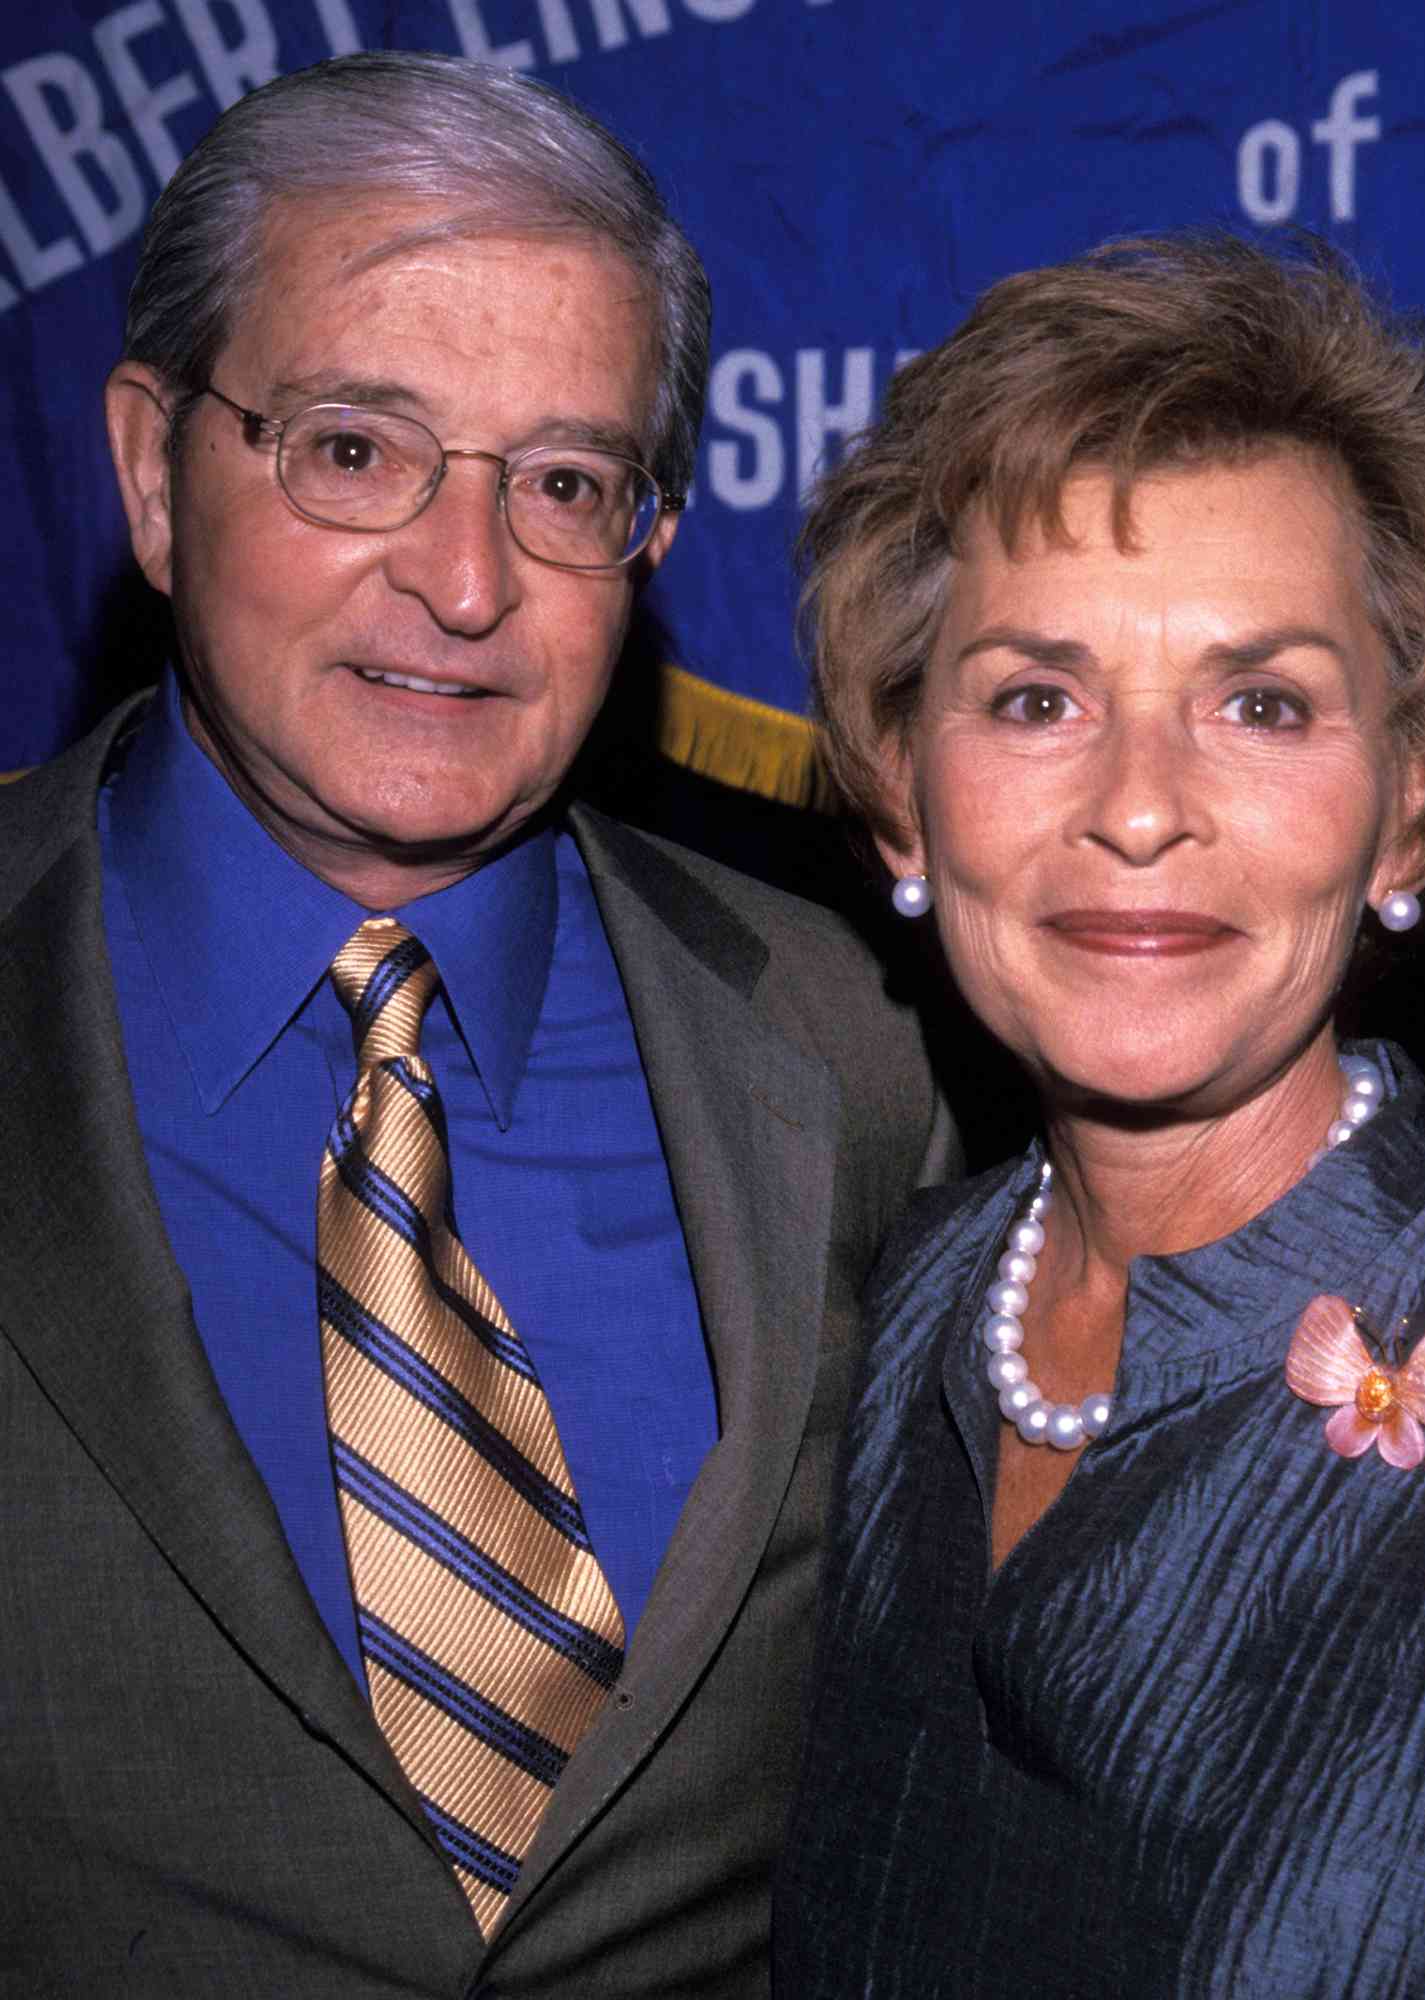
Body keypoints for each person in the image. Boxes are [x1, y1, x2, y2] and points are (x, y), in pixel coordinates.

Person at [0, 51, 954, 1997]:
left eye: (565, 482)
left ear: (652, 544)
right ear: (150, 470)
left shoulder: (860, 1055)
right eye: (353, 448)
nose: (462, 581)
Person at [773, 233, 1425, 1996]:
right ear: (905, 801)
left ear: (1408, 804)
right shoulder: (905, 1291)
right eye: (1035, 697)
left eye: (1260, 702)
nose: (1140, 807)